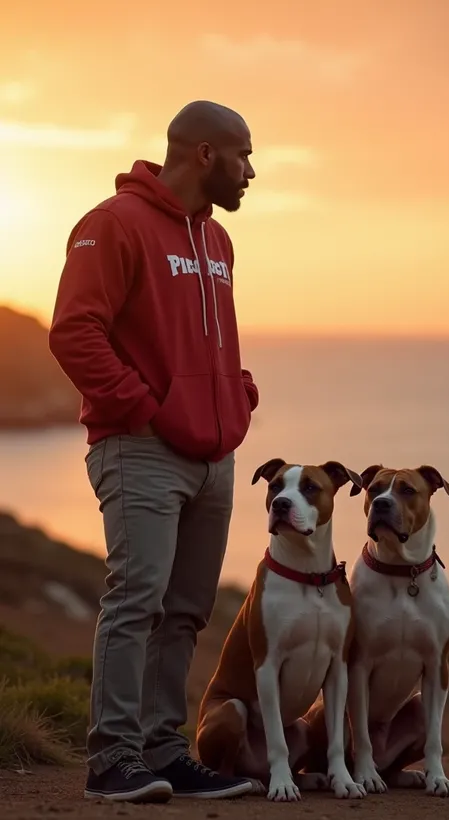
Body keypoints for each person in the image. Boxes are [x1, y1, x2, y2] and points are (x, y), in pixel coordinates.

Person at [49, 100, 259, 803]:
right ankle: (113, 757)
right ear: (205, 154)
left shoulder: (219, 241)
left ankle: (165, 750)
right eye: (243, 155)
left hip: (213, 452)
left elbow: (210, 339)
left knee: (185, 610)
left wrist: (236, 392)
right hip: (139, 449)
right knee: (136, 599)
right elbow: (75, 334)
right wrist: (145, 408)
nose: (251, 172)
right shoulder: (112, 226)